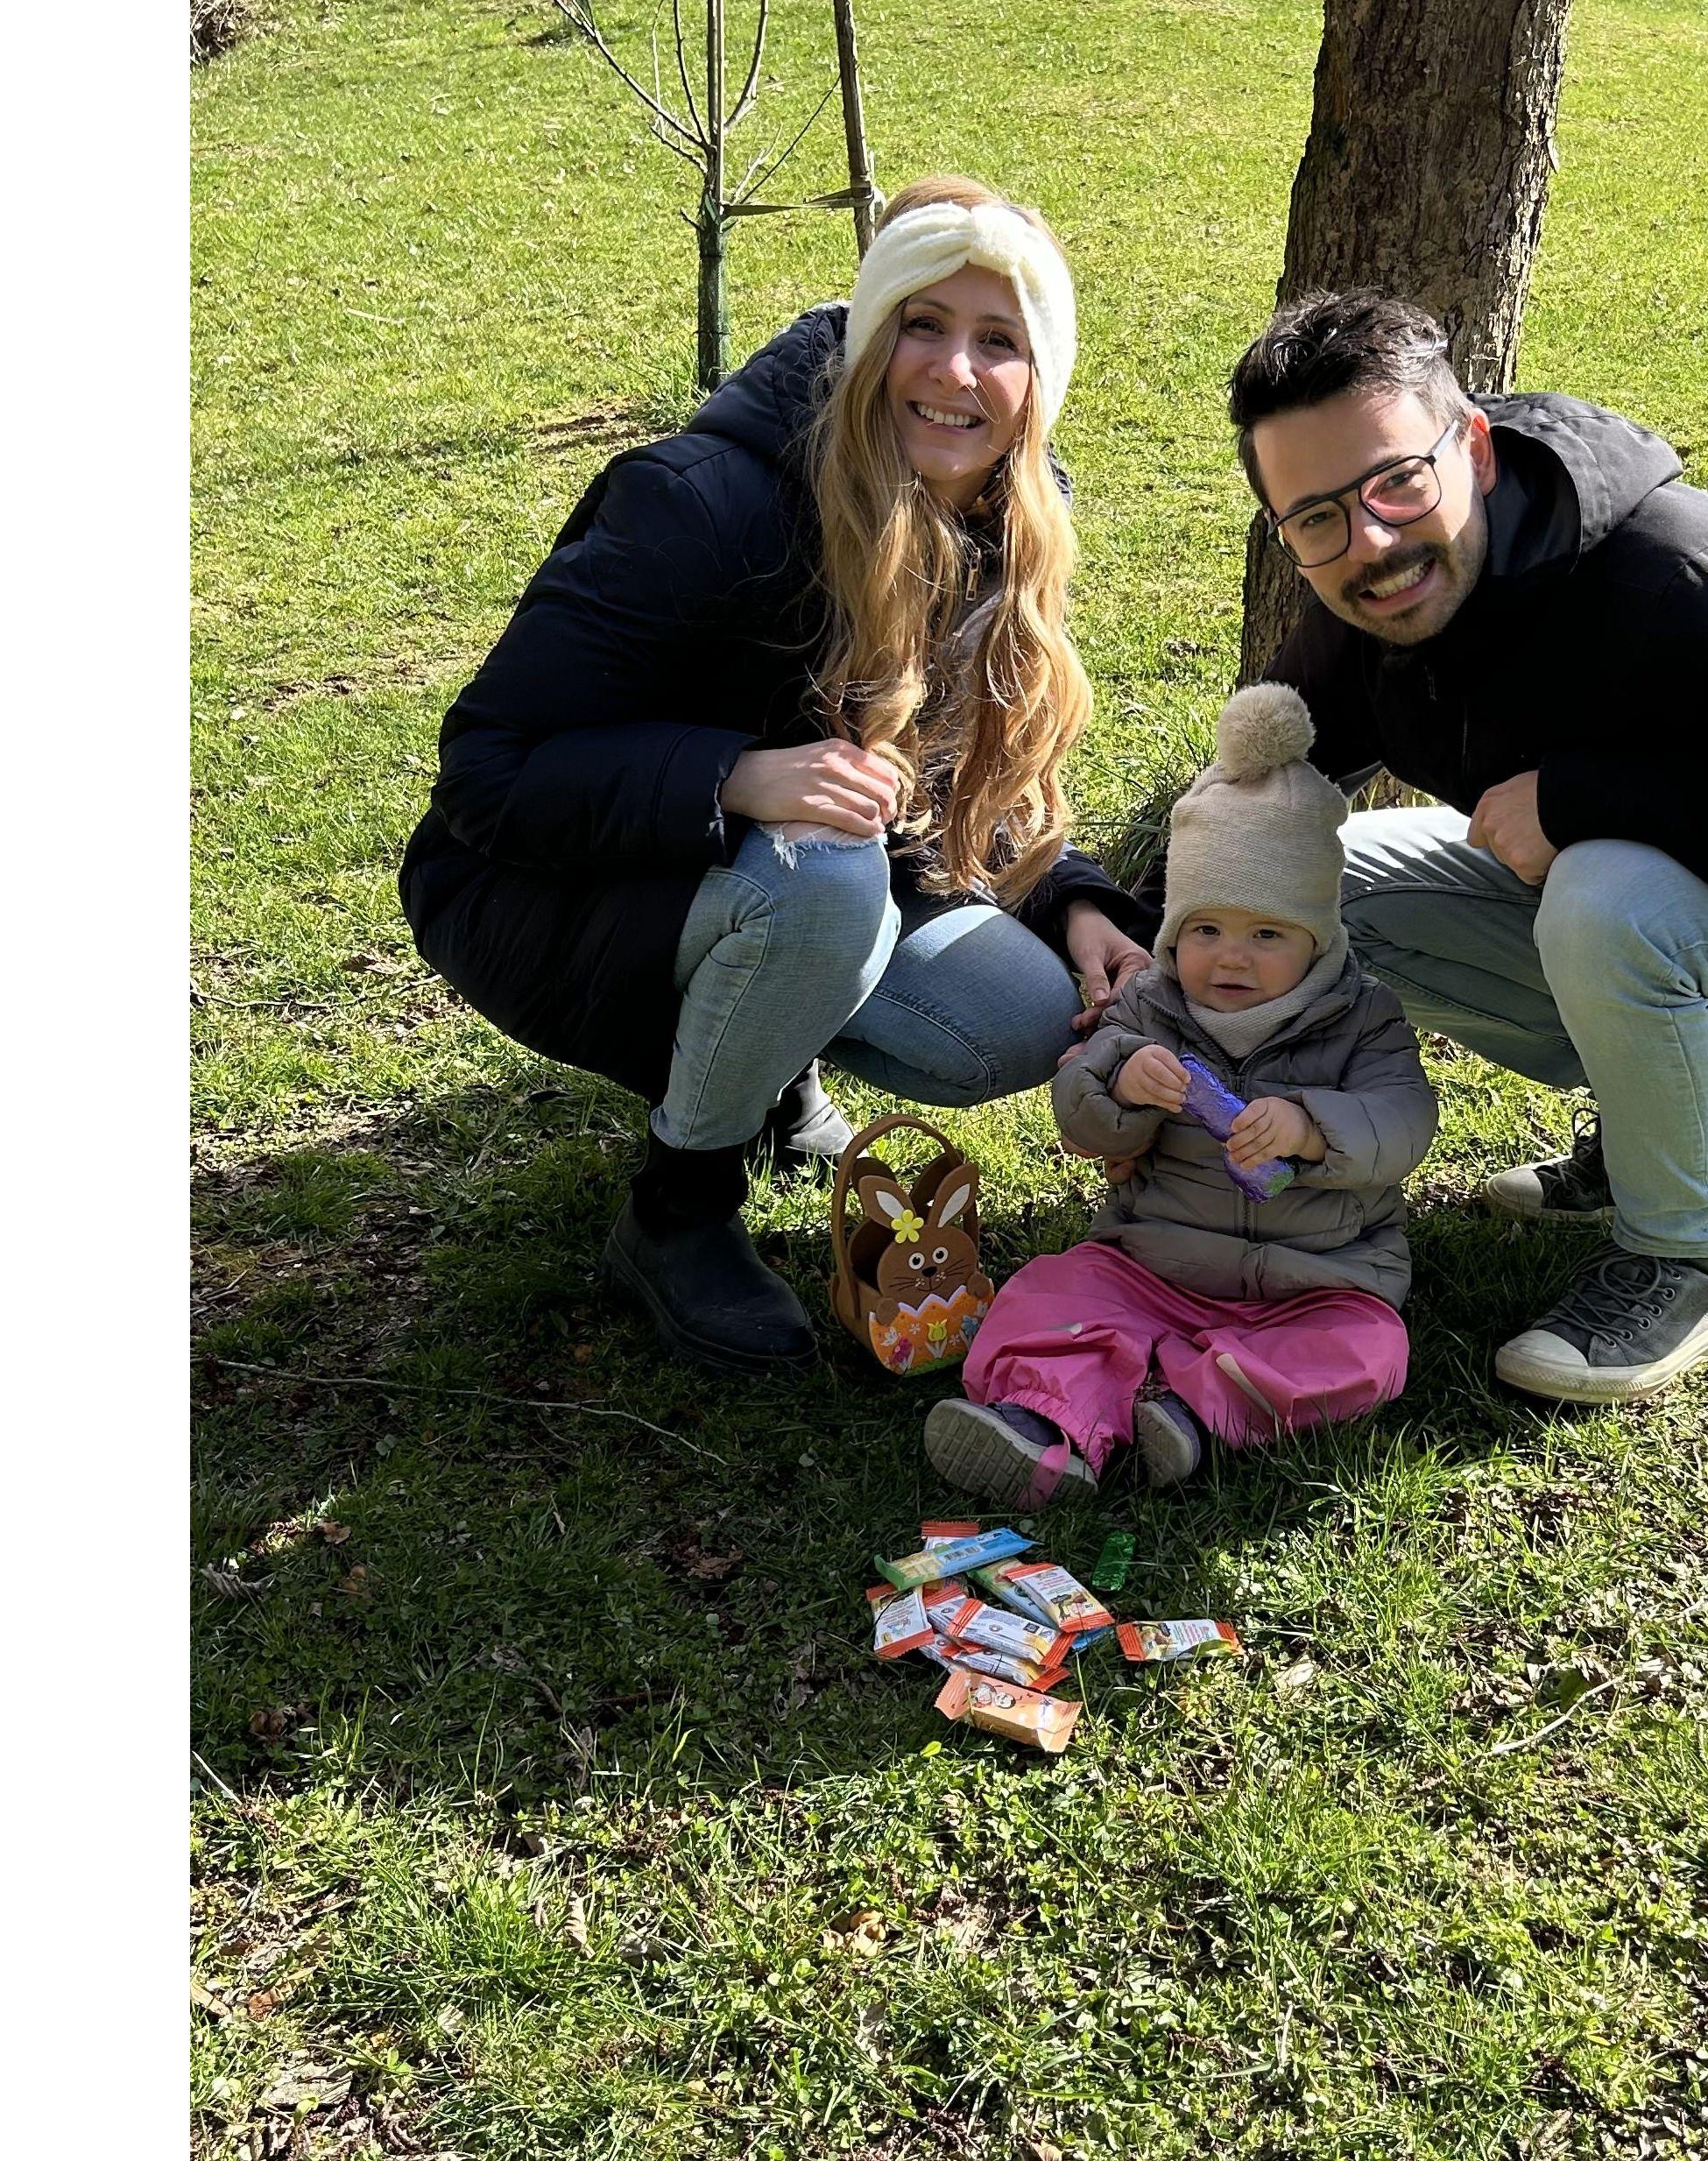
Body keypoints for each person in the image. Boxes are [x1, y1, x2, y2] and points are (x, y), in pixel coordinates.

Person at [399, 180, 1153, 1374]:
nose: (955, 370)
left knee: (1017, 1014)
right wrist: (734, 777)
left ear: (1041, 379)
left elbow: (951, 775)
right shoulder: (701, 500)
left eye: (999, 341)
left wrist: (1073, 901)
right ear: (869, 335)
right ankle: (679, 1209)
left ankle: (767, 1076)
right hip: (544, 895)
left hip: (783, 891)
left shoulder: (1011, 517)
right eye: (922, 323)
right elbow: (488, 774)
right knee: (826, 874)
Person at [1227, 288, 1708, 1406]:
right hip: (1690, 934)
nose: (1373, 542)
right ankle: (1685, 1117)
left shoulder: (1691, 574)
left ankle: (1687, 1261)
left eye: (1397, 482)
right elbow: (1264, 797)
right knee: (1319, 882)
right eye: (1317, 519)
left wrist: (1591, 799)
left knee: (1608, 888)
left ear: (1474, 450)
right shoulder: (1377, 608)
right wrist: (1132, 942)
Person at [921, 682, 1434, 1508]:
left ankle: (1193, 1411)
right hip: (1149, 1263)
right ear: (1171, 933)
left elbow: (1405, 1120)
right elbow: (1080, 1110)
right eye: (1205, 929)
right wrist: (1121, 1083)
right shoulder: (1148, 1006)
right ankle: (1043, 1423)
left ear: (1317, 938)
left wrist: (1311, 1129)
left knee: (1370, 1352)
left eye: (1266, 934)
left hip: (1316, 1281)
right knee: (1048, 1293)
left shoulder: (1362, 1016)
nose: (1231, 957)